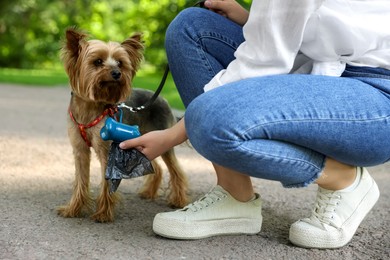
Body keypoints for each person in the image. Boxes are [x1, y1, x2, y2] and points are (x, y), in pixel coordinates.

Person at [120, 0, 390, 249]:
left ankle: (343, 178)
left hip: (375, 92)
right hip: (319, 67)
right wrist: (254, 21)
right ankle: (234, 193)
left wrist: (172, 134)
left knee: (210, 118)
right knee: (190, 28)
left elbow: (264, 62)